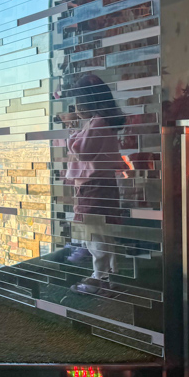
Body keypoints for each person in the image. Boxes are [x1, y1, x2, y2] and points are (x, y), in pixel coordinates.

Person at [61, 73, 125, 297]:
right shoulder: (98, 122)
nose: (76, 107)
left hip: (94, 186)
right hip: (99, 184)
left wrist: (71, 134)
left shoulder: (97, 123)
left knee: (95, 234)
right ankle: (110, 275)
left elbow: (84, 152)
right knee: (102, 233)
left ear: (88, 101)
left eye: (79, 101)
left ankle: (99, 278)